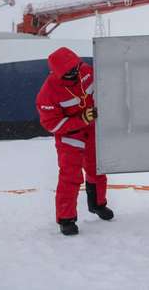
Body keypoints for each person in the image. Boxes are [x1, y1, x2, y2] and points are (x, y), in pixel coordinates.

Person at [36, 47, 114, 236]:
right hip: (70, 138)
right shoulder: (48, 93)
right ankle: (66, 219)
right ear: (58, 73)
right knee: (70, 178)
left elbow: (103, 89)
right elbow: (51, 124)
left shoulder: (85, 71)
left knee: (98, 168)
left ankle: (98, 204)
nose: (76, 72)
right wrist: (81, 120)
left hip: (93, 131)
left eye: (76, 67)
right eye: (71, 71)